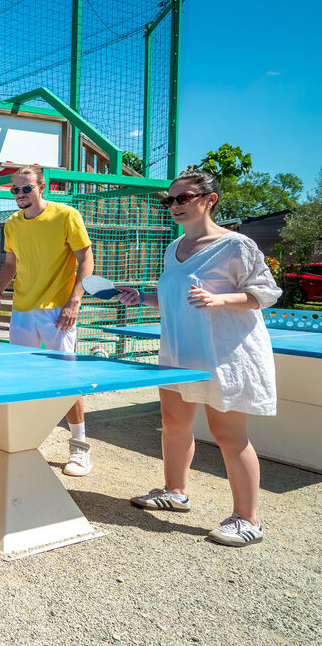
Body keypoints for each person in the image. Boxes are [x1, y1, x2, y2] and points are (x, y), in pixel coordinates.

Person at [118, 169, 280, 547]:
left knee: (228, 435)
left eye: (183, 198)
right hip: (178, 350)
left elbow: (265, 293)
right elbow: (177, 298)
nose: (174, 205)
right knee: (173, 424)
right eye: (169, 200)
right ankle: (175, 492)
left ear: (210, 200)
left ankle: (248, 519)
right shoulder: (171, 249)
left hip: (224, 354)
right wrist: (141, 297)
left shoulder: (236, 245)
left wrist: (221, 298)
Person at [0, 165, 95, 476]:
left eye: (26, 188)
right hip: (22, 310)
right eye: (15, 190)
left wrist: (74, 301)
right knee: (21, 378)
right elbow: (11, 262)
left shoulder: (66, 215)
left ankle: (80, 449)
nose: (20, 194)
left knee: (66, 381)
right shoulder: (11, 223)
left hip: (58, 312)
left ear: (42, 187)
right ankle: (25, 441)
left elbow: (85, 260)